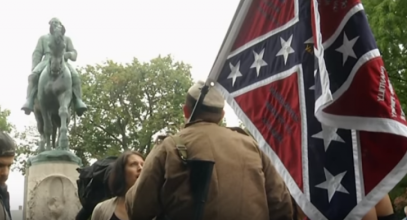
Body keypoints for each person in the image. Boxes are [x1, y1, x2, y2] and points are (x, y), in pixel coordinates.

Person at [125, 80, 293, 220]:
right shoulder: (251, 145)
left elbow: (138, 208)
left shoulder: (169, 146)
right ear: (221, 115)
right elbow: (281, 205)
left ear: (186, 110)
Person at [21, 17, 87, 116]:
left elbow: (74, 53)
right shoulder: (43, 38)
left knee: (75, 76)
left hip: (63, 61)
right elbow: (37, 53)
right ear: (50, 26)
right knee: (33, 77)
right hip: (47, 60)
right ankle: (29, 100)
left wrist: (68, 55)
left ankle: (78, 100)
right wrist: (34, 67)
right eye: (54, 24)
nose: (56, 26)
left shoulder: (67, 39)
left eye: (58, 24)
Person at [91, 151, 145, 220]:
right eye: (133, 164)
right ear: (121, 172)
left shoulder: (156, 209)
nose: (141, 168)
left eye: (143, 165)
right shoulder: (101, 210)